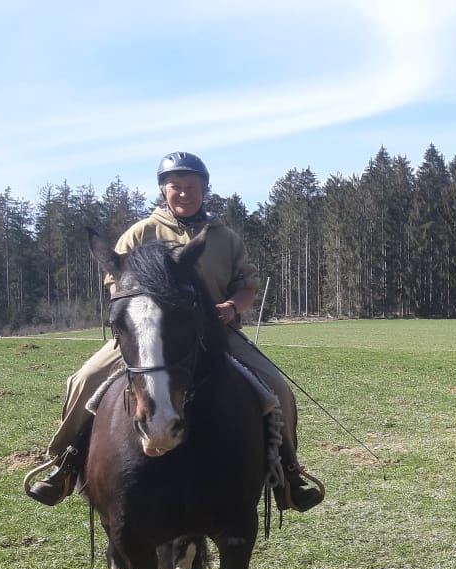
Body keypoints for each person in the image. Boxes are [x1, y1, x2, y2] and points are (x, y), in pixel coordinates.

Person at [24, 151, 323, 512]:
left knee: (276, 388)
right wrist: (141, 315)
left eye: (191, 186)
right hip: (147, 333)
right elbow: (115, 281)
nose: (184, 193)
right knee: (85, 378)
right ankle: (64, 464)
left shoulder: (225, 237)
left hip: (216, 332)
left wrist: (231, 308)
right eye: (176, 186)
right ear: (163, 190)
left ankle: (288, 474)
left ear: (204, 189)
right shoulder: (140, 232)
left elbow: (246, 285)